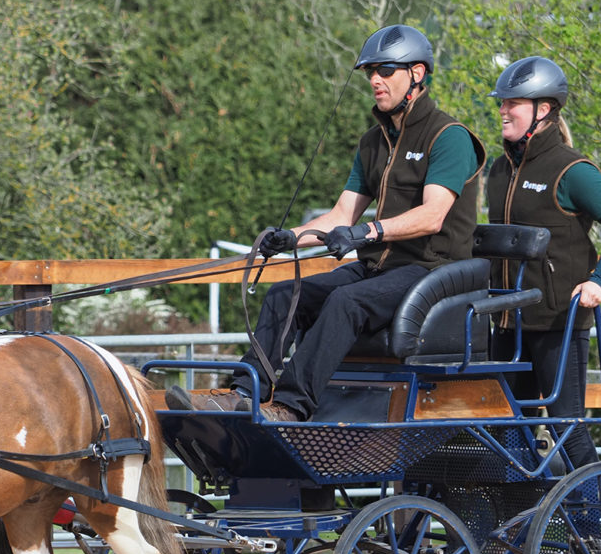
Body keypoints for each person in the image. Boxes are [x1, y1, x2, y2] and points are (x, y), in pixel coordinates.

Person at [168, 24, 484, 422]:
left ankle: (289, 406)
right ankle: (242, 396)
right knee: (286, 294)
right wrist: (288, 239)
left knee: (345, 301)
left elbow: (432, 215)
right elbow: (340, 215)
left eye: (385, 70)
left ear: (416, 74)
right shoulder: (373, 142)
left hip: (431, 269)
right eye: (370, 72)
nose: (374, 80)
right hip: (379, 267)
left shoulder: (449, 137)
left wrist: (367, 232)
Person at [486, 55, 601, 468]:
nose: (502, 109)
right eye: (501, 102)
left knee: (564, 426)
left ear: (544, 109)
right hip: (505, 321)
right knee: (504, 431)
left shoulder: (572, 170)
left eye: (512, 102)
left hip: (557, 322)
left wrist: (599, 281)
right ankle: (520, 525)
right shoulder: (498, 171)